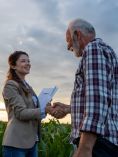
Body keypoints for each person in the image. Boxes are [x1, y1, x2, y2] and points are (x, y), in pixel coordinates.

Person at [52, 19, 118, 157]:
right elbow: (105, 100)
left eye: (68, 40)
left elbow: (97, 99)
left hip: (97, 145)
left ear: (77, 35)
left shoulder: (93, 49)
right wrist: (69, 108)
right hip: (103, 142)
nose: (68, 46)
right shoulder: (104, 51)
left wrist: (85, 148)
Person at [2, 51, 55, 157]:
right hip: (16, 143)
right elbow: (21, 113)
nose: (28, 63)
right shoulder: (10, 85)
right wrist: (44, 109)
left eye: (28, 61)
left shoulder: (28, 87)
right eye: (23, 61)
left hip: (32, 142)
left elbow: (34, 113)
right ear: (13, 66)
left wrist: (45, 106)